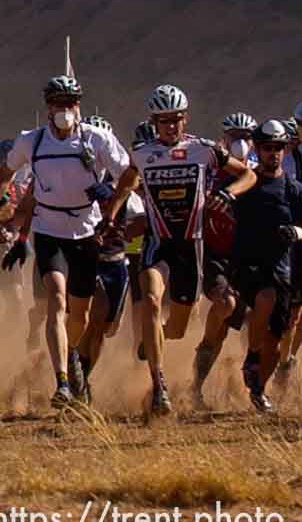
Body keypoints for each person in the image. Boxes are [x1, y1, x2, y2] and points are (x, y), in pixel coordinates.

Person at [103, 84, 254, 416]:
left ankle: (152, 339)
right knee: (152, 302)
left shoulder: (205, 149)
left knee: (177, 328)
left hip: (191, 246)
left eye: (176, 120)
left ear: (185, 120)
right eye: (163, 121)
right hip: (158, 244)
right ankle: (160, 387)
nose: (170, 126)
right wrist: (110, 218)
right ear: (154, 122)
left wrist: (229, 195)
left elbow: (247, 175)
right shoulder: (143, 153)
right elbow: (126, 183)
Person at [0, 75, 130, 408]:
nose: (65, 110)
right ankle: (62, 381)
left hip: (86, 233)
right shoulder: (31, 142)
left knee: (81, 312)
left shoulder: (98, 139)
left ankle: (73, 356)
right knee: (57, 301)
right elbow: (6, 175)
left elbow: (128, 174)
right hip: (49, 233)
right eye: (58, 103)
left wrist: (113, 200)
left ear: (79, 105)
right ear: (48, 107)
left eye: (71, 103)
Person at [227, 119, 302, 413]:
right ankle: (252, 357)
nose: (273, 153)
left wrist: (295, 233)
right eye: (267, 148)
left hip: (281, 267)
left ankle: (258, 388)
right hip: (246, 265)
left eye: (279, 148)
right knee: (265, 297)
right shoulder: (247, 182)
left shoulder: (293, 189)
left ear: (286, 149)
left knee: (279, 335)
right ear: (258, 148)